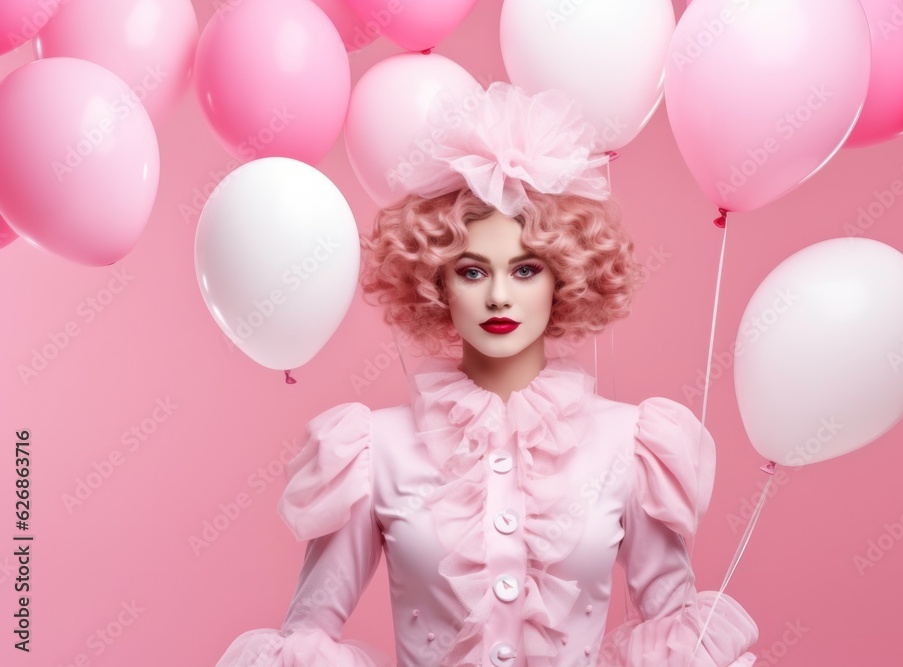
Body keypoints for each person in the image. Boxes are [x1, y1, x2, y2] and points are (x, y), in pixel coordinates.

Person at [217, 81, 758, 666]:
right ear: (436, 283)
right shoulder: (371, 449)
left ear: (564, 278)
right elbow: (307, 636)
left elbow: (675, 633)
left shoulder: (631, 444)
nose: (500, 296)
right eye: (473, 273)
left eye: (525, 270)